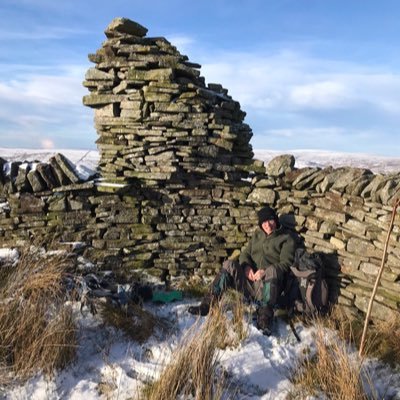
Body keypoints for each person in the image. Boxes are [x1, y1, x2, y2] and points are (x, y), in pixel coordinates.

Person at [188, 206, 296, 335]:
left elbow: (286, 263)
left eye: (270, 220)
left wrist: (264, 271)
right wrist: (246, 267)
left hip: (269, 286)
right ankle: (207, 304)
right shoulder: (257, 236)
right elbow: (245, 254)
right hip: (249, 284)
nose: (267, 225)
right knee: (229, 264)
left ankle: (264, 318)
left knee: (272, 270)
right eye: (264, 222)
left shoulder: (286, 239)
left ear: (276, 220)